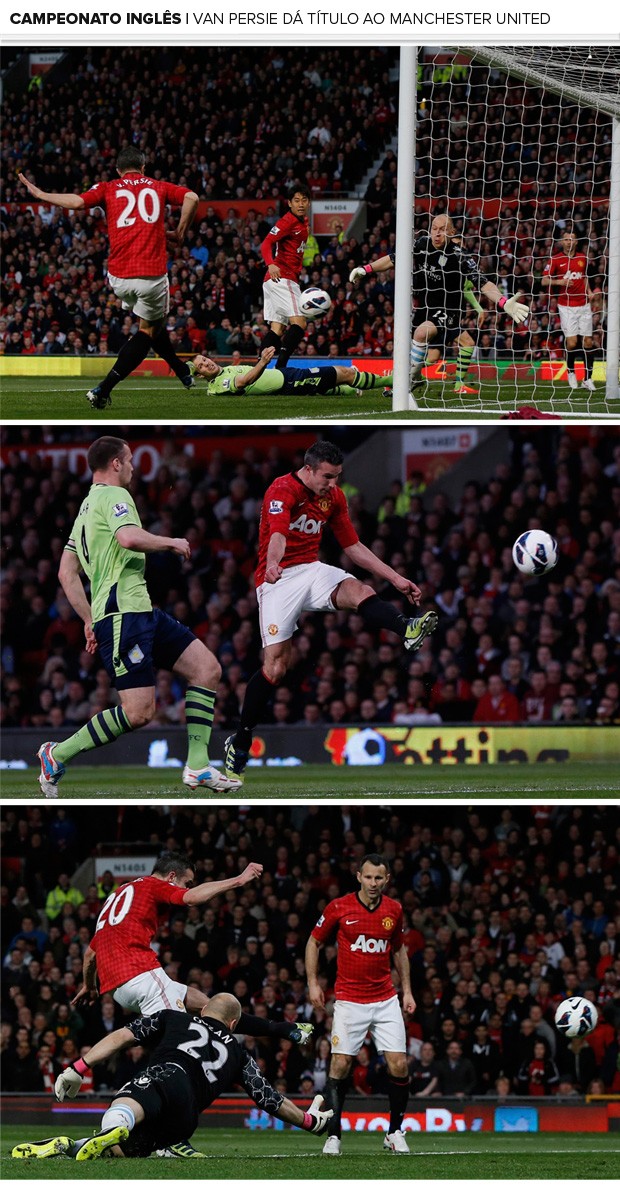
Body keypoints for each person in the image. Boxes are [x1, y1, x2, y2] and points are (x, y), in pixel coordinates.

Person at [223, 441, 437, 784]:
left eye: (337, 477)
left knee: (361, 591)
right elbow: (277, 534)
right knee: (275, 668)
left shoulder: (334, 498)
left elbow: (352, 546)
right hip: (277, 580)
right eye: (328, 477)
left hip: (311, 568)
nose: (333, 484)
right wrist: (274, 564)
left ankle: (406, 628)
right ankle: (242, 738)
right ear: (308, 469)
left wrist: (395, 578)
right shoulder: (282, 489)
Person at [72, 852, 312, 1158]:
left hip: (118, 982)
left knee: (212, 1006)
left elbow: (90, 956)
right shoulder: (152, 884)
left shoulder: (119, 895)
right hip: (140, 971)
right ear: (172, 876)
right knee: (178, 1041)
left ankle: (283, 1029)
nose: (186, 886)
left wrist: (89, 986)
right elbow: (190, 899)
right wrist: (238, 880)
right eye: (186, 880)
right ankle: (170, 1139)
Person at [37, 436, 241, 795]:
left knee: (207, 669)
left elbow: (66, 573)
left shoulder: (86, 507)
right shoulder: (115, 496)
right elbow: (129, 538)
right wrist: (172, 542)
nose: (133, 466)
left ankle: (197, 766)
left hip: (138, 610)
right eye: (129, 460)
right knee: (139, 712)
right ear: (115, 464)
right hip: (122, 614)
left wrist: (87, 618)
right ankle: (58, 753)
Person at [11, 994, 332, 1161]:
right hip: (186, 1118)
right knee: (126, 1148)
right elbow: (269, 1100)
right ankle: (73, 1146)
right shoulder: (239, 1054)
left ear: (203, 1008)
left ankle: (112, 1126)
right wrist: (309, 1121)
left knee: (129, 1104)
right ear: (234, 1025)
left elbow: (123, 1036)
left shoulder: (174, 1018)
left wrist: (78, 1067)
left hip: (167, 1075)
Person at [19, 147, 198, 408]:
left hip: (117, 276)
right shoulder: (158, 186)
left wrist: (40, 194)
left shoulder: (108, 187)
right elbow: (192, 197)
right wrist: (180, 233)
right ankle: (104, 389)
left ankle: (182, 372)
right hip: (150, 274)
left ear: (118, 169)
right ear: (143, 167)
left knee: (150, 323)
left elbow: (78, 202)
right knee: (148, 330)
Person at [349, 213, 529, 401]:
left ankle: (409, 380)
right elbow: (394, 258)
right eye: (434, 228)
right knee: (416, 348)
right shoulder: (421, 244)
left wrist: (503, 302)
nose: (437, 234)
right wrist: (366, 269)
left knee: (423, 334)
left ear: (451, 232)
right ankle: (414, 377)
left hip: (447, 309)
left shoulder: (460, 256)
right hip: (424, 307)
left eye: (442, 230)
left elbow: (483, 283)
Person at [305, 853, 416, 1156]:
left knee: (400, 1063)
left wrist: (407, 991)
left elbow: (399, 950)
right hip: (349, 1000)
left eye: (379, 878)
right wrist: (313, 983)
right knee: (340, 1064)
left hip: (385, 998)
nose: (373, 883)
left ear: (387, 880)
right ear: (358, 877)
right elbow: (313, 942)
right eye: (368, 877)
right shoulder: (339, 907)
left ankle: (394, 1131)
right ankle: (334, 1135)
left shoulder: (394, 909)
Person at [191, 344, 391, 399]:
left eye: (204, 359)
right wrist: (263, 362)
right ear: (200, 375)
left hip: (285, 374)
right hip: (289, 382)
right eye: (201, 366)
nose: (206, 363)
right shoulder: (219, 385)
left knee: (326, 385)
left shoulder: (223, 371)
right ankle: (391, 381)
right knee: (344, 373)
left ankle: (352, 391)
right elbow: (244, 381)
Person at [259, 183, 311, 368]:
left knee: (277, 329)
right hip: (282, 277)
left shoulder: (303, 222)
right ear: (289, 203)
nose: (301, 204)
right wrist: (271, 264)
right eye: (296, 200)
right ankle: (281, 368)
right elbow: (265, 244)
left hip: (276, 281)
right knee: (300, 322)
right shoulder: (287, 221)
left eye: (304, 200)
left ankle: (259, 370)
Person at [541, 227, 597, 392]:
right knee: (572, 343)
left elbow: (584, 276)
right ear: (562, 241)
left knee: (588, 341)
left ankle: (587, 378)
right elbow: (544, 281)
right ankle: (571, 372)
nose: (569, 242)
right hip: (566, 306)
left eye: (572, 239)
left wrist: (589, 291)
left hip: (584, 304)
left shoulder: (582, 258)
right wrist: (560, 283)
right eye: (566, 239)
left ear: (576, 241)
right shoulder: (556, 259)